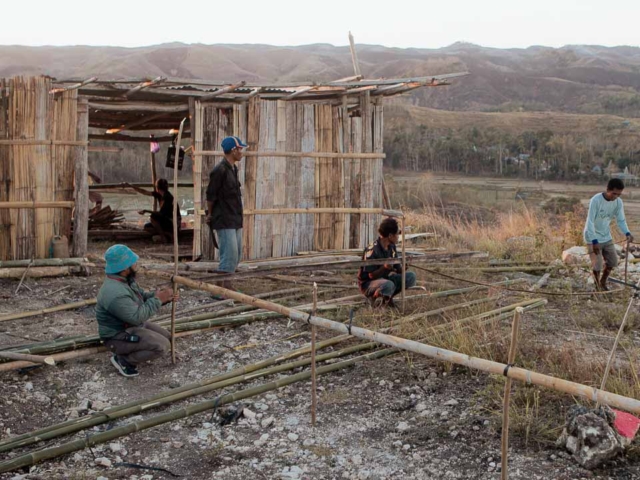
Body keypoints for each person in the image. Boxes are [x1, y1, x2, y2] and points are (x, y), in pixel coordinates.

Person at [96, 245, 176, 377]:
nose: (136, 264)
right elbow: (137, 317)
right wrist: (158, 300)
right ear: (125, 268)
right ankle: (124, 360)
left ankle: (133, 351)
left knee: (168, 337)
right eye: (133, 262)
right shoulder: (114, 292)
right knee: (162, 346)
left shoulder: (125, 280)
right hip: (117, 336)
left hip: (131, 325)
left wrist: (164, 297)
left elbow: (142, 296)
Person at [205, 136, 246, 289]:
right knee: (228, 255)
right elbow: (211, 195)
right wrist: (210, 214)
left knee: (235, 255)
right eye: (240, 149)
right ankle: (218, 289)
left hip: (235, 217)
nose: (241, 152)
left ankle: (227, 285)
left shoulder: (233, 169)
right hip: (224, 218)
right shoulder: (219, 170)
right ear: (233, 150)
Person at [584, 178, 635, 291]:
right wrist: (594, 241)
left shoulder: (618, 202)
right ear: (608, 190)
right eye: (614, 193)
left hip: (606, 236)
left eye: (619, 194)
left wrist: (627, 232)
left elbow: (621, 220)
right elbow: (590, 222)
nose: (616, 196)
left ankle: (603, 282)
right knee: (597, 264)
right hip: (592, 237)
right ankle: (597, 286)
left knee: (612, 262)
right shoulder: (596, 200)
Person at [357, 218, 417, 308]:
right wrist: (384, 268)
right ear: (390, 235)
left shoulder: (392, 247)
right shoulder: (372, 250)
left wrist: (405, 265)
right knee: (388, 285)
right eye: (397, 233)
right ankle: (375, 301)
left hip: (385, 279)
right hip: (368, 284)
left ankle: (388, 298)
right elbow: (371, 276)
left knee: (411, 277)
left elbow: (398, 270)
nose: (398, 236)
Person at [127, 179, 182, 243]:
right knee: (147, 227)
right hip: (167, 221)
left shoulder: (168, 197)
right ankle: (167, 234)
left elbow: (161, 214)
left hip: (173, 222)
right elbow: (145, 192)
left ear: (157, 187)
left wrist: (146, 211)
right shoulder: (159, 194)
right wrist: (131, 186)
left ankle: (163, 237)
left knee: (153, 217)